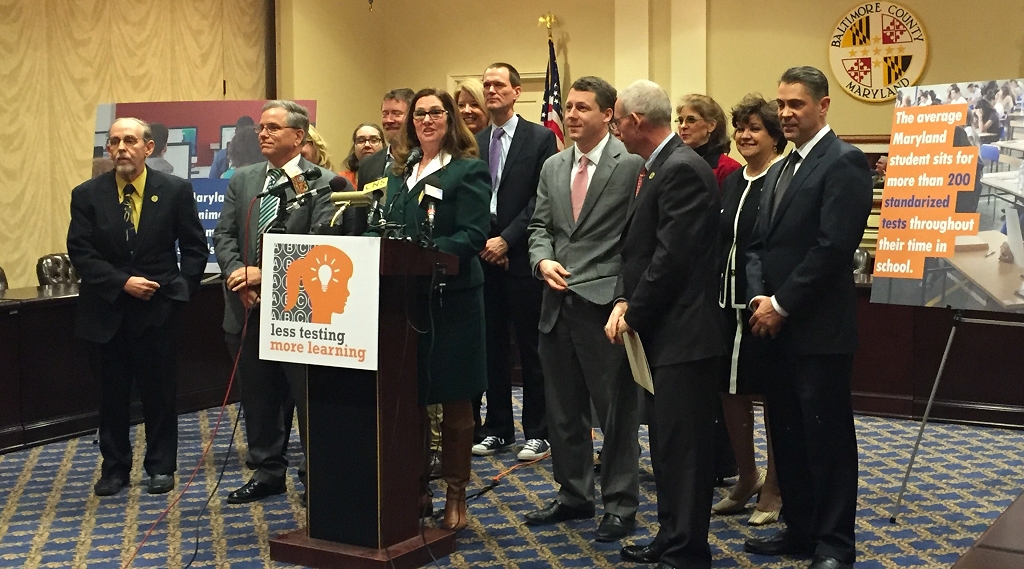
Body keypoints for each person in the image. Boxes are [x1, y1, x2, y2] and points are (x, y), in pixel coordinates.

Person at [743, 66, 872, 569]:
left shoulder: (844, 162)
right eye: (781, 104)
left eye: (796, 104)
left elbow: (833, 248)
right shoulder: (778, 168)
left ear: (823, 106)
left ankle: (835, 544)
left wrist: (782, 303)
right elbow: (756, 245)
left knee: (828, 441)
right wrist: (760, 299)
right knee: (789, 436)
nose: (786, 113)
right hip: (773, 327)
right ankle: (799, 529)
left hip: (818, 331)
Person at [606, 80, 724, 569]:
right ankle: (671, 535)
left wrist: (634, 311)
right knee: (667, 446)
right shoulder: (659, 167)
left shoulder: (681, 170)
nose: (613, 128)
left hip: (686, 334)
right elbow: (639, 252)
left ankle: (688, 550)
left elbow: (671, 258)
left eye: (615, 120)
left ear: (635, 122)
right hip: (665, 334)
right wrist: (624, 300)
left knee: (685, 450)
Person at [524, 76, 643, 542]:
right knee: (563, 410)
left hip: (604, 307)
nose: (571, 115)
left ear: (608, 114)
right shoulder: (553, 165)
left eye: (582, 108)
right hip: (555, 302)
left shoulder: (630, 164)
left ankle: (619, 504)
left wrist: (622, 297)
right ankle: (574, 494)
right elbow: (539, 226)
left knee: (615, 414)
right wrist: (541, 259)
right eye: (568, 107)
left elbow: (635, 240)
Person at [67, 117, 207, 496]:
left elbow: (195, 249)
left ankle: (161, 466)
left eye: (129, 140)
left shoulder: (175, 190)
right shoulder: (87, 194)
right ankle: (114, 468)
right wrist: (121, 282)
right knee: (111, 397)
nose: (121, 148)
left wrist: (181, 291)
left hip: (157, 312)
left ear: (148, 147)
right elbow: (80, 251)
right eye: (114, 142)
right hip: (106, 311)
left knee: (159, 394)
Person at [373, 88, 491, 530]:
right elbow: (383, 229)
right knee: (414, 399)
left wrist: (424, 253)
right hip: (405, 302)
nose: (426, 120)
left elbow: (474, 235)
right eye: (419, 114)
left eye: (435, 113)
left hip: (454, 302)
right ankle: (416, 488)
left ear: (450, 120)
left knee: (457, 402)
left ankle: (456, 494)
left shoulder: (468, 171)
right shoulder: (398, 172)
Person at [212, 100, 336, 505]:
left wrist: (267, 275)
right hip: (246, 306)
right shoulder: (244, 179)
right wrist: (239, 276)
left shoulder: (325, 184)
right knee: (259, 396)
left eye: (272, 128)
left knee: (309, 399)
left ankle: (316, 473)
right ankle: (267, 472)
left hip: (300, 312)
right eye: (260, 128)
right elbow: (224, 235)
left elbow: (323, 247)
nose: (262, 134)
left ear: (298, 137)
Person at [472, 62, 558, 460]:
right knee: (490, 348)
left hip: (522, 258)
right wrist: (486, 243)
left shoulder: (539, 138)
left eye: (498, 85)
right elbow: (473, 199)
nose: (491, 91)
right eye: (486, 85)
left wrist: (506, 241)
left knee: (530, 347)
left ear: (516, 91)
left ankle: (538, 431)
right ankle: (498, 429)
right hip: (483, 260)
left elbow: (541, 199)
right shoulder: (475, 139)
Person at [713, 94, 785, 527]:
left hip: (764, 305)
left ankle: (775, 486)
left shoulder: (782, 177)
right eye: (740, 127)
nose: (745, 135)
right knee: (729, 391)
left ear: (775, 136)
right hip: (725, 302)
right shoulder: (733, 180)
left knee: (772, 396)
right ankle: (746, 477)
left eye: (755, 128)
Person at [676, 94, 742, 189]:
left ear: (711, 125)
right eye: (680, 120)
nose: (683, 126)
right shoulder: (674, 163)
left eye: (691, 120)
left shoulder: (727, 168)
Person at [358, 89, 415, 189]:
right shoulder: (367, 165)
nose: (388, 120)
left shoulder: (423, 159)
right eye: (385, 114)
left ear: (412, 117)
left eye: (396, 113)